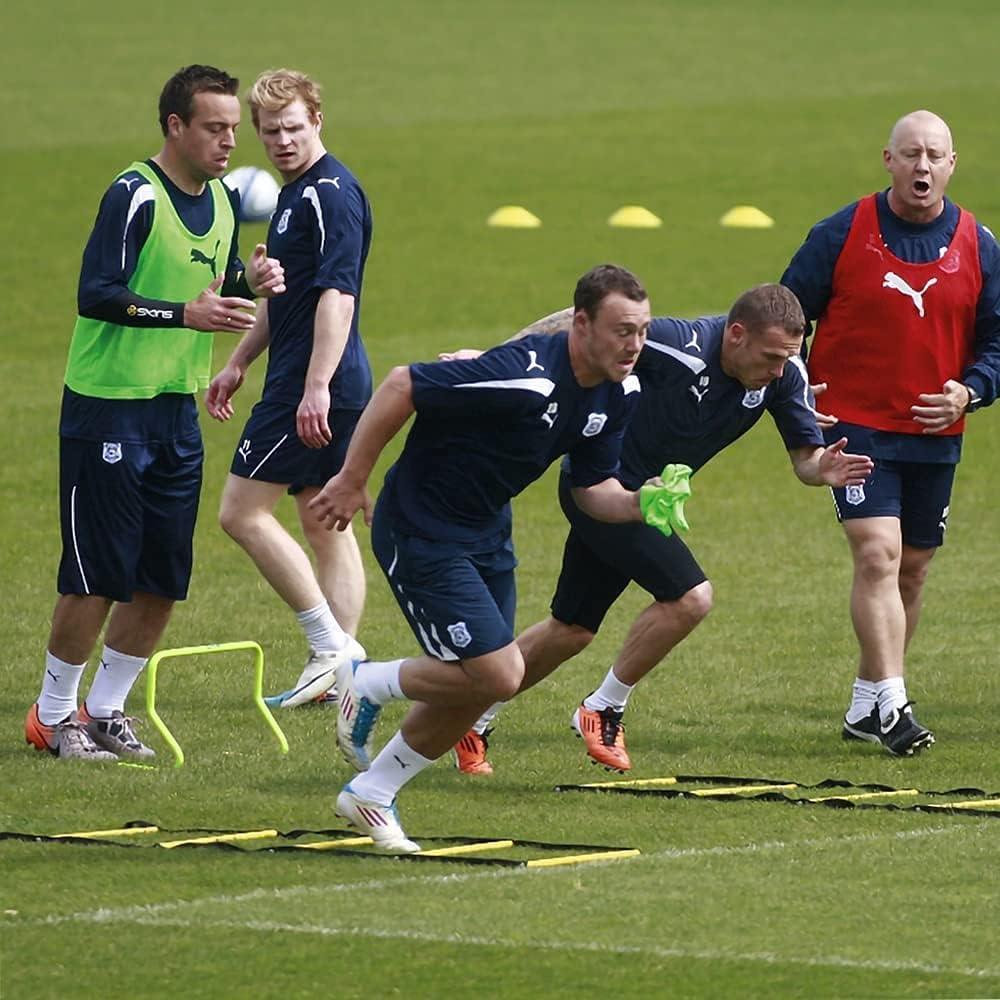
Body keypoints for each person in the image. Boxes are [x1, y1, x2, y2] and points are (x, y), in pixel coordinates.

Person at [446, 284, 874, 775]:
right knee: (691, 597)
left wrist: (823, 469)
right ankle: (603, 708)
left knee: (572, 629)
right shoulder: (678, 345)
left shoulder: (784, 373)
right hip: (600, 488)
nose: (779, 370)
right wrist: (493, 359)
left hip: (643, 502)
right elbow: (577, 322)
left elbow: (804, 459)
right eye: (771, 356)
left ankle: (470, 717)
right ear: (736, 334)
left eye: (787, 359)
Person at [309, 264, 655, 851]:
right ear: (581, 323)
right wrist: (351, 478)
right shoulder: (525, 375)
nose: (635, 345)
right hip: (421, 527)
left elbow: (594, 488)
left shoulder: (619, 393)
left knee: (477, 686)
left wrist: (642, 503)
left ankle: (371, 792)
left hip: (487, 532)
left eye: (642, 331)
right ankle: (364, 682)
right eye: (623, 330)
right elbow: (401, 384)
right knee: (499, 673)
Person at [24, 65, 285, 761]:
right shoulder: (133, 194)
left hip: (174, 407)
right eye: (215, 127)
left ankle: (106, 710)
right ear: (176, 126)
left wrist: (246, 283)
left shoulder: (226, 201)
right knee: (97, 572)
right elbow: (97, 292)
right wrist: (184, 313)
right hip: (108, 407)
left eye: (234, 128)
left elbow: (211, 289)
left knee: (162, 576)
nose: (231, 140)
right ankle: (53, 715)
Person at [781, 109, 1000, 756]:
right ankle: (895, 708)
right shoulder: (841, 233)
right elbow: (784, 320)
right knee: (877, 554)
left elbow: (997, 341)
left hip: (935, 431)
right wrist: (800, 398)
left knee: (912, 571)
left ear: (952, 165)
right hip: (854, 426)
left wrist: (971, 389)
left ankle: (864, 701)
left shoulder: (981, 246)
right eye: (911, 154)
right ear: (889, 160)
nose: (923, 166)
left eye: (935, 155)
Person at [206, 69, 372, 707]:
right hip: (309, 378)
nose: (281, 140)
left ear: (318, 122)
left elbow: (338, 294)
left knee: (240, 513)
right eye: (270, 131)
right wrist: (240, 359)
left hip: (313, 384)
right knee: (323, 520)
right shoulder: (294, 193)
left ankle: (331, 646)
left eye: (294, 128)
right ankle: (338, 673)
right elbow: (286, 296)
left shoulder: (332, 193)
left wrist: (315, 388)